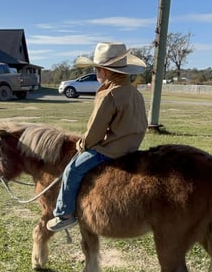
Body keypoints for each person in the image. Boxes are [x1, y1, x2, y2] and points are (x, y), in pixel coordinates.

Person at [47, 42, 148, 232]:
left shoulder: (110, 95)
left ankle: (64, 214)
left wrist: (82, 144)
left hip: (111, 150)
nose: (96, 73)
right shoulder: (135, 93)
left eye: (96, 69)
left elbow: (96, 131)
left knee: (72, 170)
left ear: (106, 72)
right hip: (132, 147)